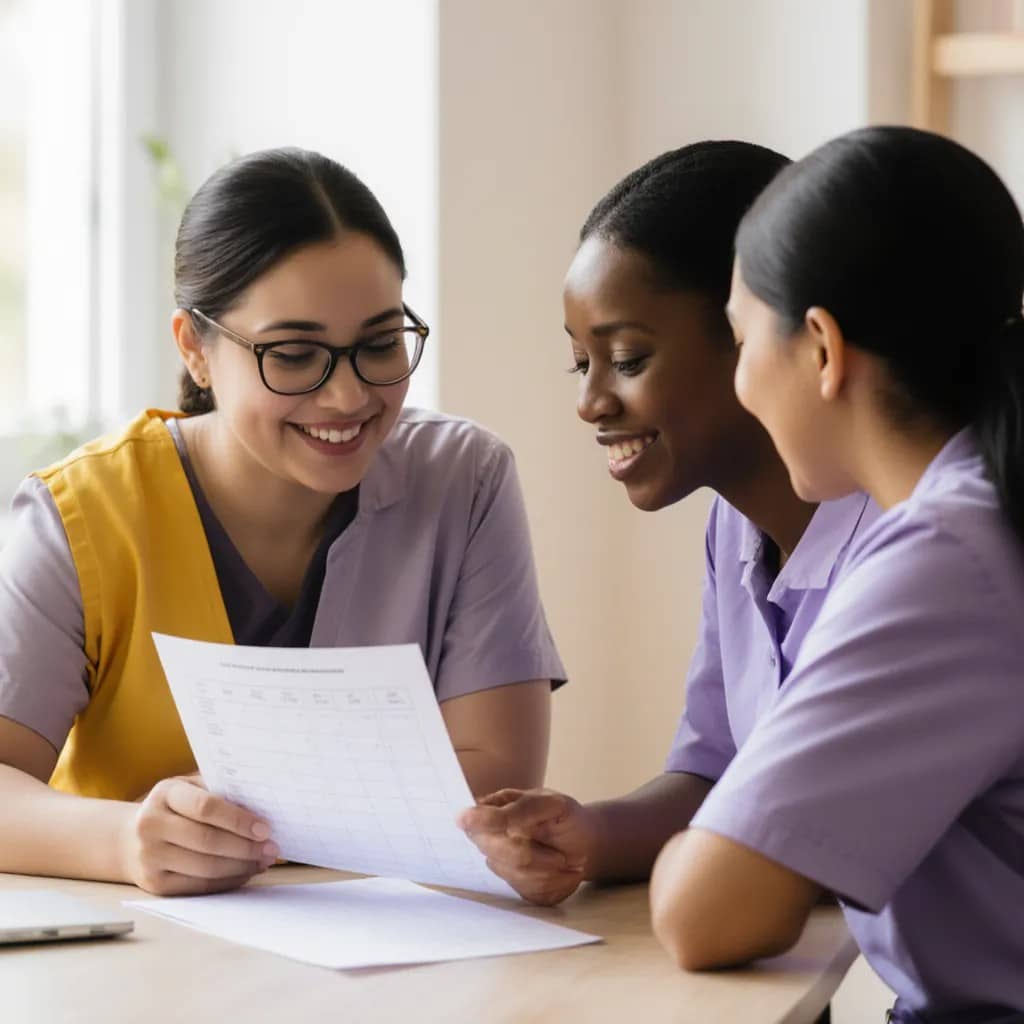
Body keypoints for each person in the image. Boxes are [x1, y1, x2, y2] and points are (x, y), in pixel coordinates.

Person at [0, 147, 564, 897]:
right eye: (295, 355)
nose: (346, 396)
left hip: (396, 952)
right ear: (194, 349)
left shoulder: (465, 481)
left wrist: (272, 808)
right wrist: (129, 841)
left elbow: (496, 779)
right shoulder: (78, 515)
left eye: (378, 343)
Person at [650, 126, 1024, 1022]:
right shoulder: (978, 513)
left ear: (821, 347)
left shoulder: (950, 555)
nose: (742, 384)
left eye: (742, 342)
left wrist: (700, 849)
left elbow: (707, 912)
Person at [458, 141, 878, 910]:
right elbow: (718, 771)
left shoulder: (903, 546)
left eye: (626, 357)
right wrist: (586, 833)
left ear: (758, 334)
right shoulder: (733, 527)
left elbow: (818, 836)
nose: (591, 402)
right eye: (578, 363)